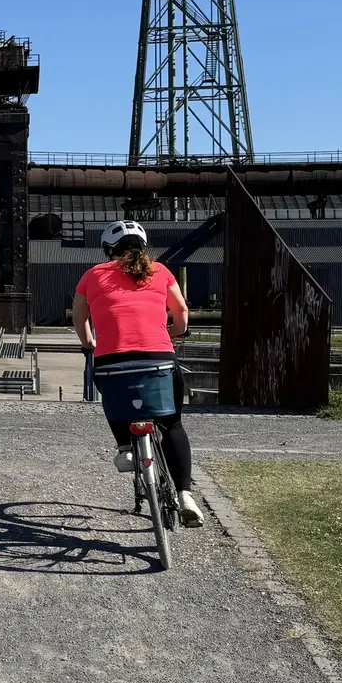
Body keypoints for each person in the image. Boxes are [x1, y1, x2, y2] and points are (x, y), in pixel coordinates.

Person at [72, 219, 205, 527]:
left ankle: (124, 446)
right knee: (172, 423)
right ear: (143, 247)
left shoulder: (92, 276)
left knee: (109, 386)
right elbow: (181, 313)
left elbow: (80, 318)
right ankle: (185, 494)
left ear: (108, 250)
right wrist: (170, 334)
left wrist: (90, 343)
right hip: (157, 358)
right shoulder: (161, 272)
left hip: (111, 361)